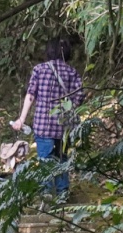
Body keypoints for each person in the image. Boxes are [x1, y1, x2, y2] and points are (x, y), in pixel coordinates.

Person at [9, 38, 85, 198]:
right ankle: (63, 194)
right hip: (64, 127)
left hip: (43, 125)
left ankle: (47, 196)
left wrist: (21, 119)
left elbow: (31, 95)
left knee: (45, 161)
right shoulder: (71, 72)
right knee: (62, 159)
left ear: (49, 51)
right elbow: (79, 96)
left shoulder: (39, 69)